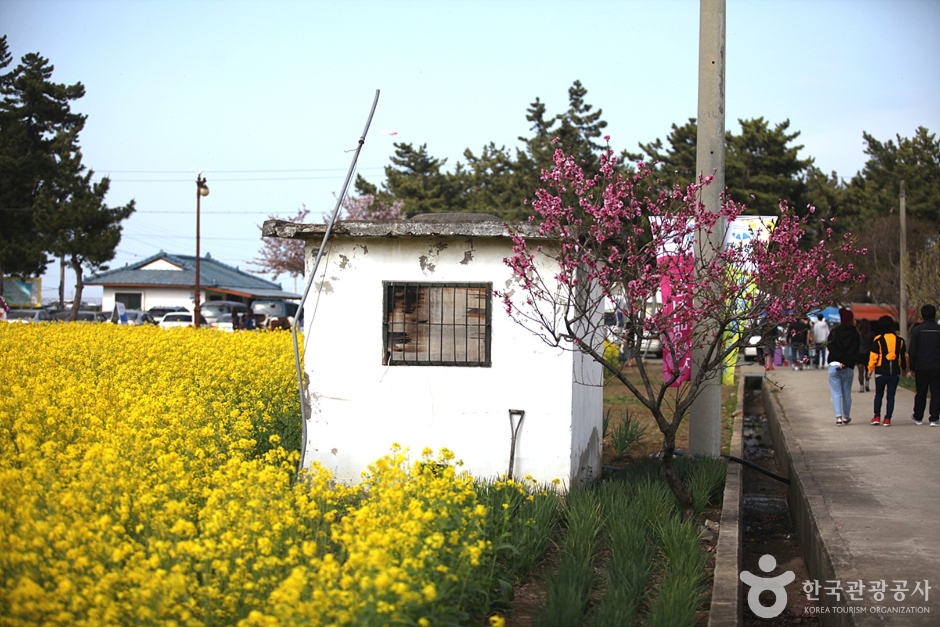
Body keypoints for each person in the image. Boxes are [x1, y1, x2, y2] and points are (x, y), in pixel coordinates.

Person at [867, 316, 907, 427]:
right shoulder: (900, 340)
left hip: (881, 371)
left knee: (878, 395)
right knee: (891, 396)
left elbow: (873, 356)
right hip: (894, 372)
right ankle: (887, 419)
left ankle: (876, 417)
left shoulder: (878, 340)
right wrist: (904, 368)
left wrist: (870, 370)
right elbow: (904, 356)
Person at [827, 308, 860, 426]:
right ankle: (846, 415)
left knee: (836, 393)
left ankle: (838, 417)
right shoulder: (855, 334)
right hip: (848, 367)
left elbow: (830, 347)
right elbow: (854, 351)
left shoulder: (834, 332)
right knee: (846, 393)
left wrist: (839, 359)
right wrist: (845, 361)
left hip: (834, 365)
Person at [908, 304, 940, 427]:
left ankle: (918, 416)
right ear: (934, 314)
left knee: (921, 392)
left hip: (921, 366)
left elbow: (913, 350)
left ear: (922, 315)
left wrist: (912, 366)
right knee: (936, 392)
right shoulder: (938, 329)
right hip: (937, 366)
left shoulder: (917, 330)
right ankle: (934, 418)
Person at [855, 319, 874, 393]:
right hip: (868, 354)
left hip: (859, 354)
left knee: (860, 372)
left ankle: (861, 387)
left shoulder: (857, 334)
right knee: (868, 371)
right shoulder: (871, 334)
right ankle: (867, 384)